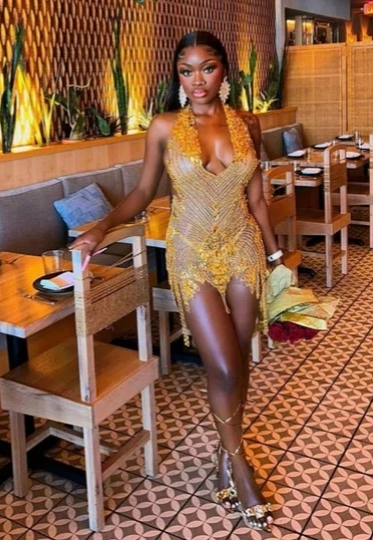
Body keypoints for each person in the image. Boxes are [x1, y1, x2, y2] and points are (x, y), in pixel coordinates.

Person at [70, 30, 283, 532]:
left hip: (243, 249)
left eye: (207, 68)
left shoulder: (248, 123)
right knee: (223, 365)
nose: (197, 80)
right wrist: (101, 227)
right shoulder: (164, 126)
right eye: (186, 71)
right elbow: (142, 192)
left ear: (224, 71)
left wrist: (276, 257)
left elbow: (256, 200)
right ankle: (240, 467)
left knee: (238, 363)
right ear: (178, 77)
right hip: (190, 253)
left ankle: (225, 455)